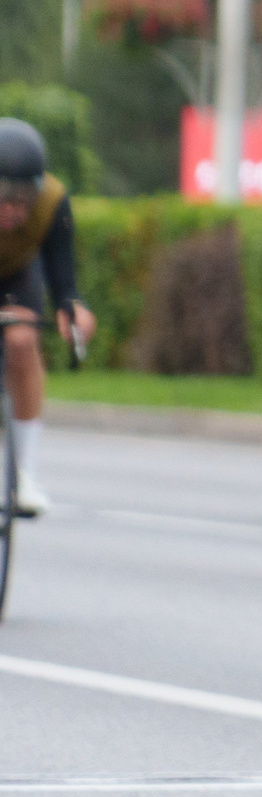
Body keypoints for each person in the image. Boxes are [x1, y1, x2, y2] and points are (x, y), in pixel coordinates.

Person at [0, 118, 96, 518]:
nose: (14, 209)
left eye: (25, 197)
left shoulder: (54, 201)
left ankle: (24, 473)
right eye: (4, 195)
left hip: (18, 278)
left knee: (22, 340)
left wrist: (72, 313)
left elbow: (63, 279)